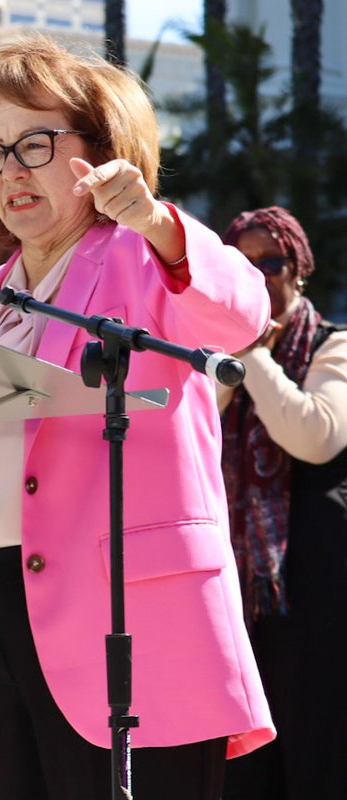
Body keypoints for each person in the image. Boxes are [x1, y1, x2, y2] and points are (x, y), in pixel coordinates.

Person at [0, 35, 274, 798]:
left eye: (34, 145)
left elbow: (242, 314)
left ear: (102, 154)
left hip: (129, 618)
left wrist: (158, 224)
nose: (11, 171)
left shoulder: (143, 258)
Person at [217, 207, 347, 800]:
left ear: (299, 270)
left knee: (317, 744)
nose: (258, 276)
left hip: (315, 584)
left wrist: (254, 354)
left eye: (271, 263)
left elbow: (313, 437)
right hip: (235, 587)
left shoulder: (333, 344)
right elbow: (191, 431)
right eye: (242, 264)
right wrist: (232, 354)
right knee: (246, 762)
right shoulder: (214, 355)